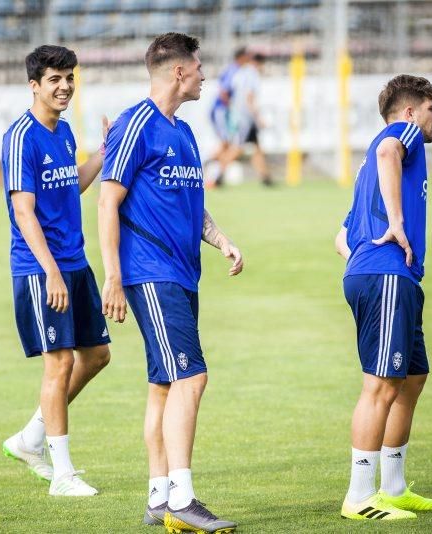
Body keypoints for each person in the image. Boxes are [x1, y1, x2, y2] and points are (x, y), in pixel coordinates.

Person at [98, 33, 243, 533]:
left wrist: (219, 238)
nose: (205, 74)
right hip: (150, 273)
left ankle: (160, 497)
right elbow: (105, 202)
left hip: (183, 274)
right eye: (200, 67)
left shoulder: (183, 132)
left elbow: (190, 199)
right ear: (179, 73)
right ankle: (183, 497)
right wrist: (113, 278)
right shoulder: (135, 124)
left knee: (163, 385)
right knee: (192, 377)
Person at [0, 45, 111, 497]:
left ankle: (30, 438)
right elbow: (23, 212)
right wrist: (50, 272)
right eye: (54, 79)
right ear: (34, 85)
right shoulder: (21, 137)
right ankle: (62, 475)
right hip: (40, 267)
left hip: (74, 261)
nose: (64, 86)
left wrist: (105, 152)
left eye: (69, 77)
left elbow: (74, 184)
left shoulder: (63, 132)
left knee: (97, 355)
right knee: (60, 363)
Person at [337, 74, 432, 520]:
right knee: (379, 386)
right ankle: (359, 497)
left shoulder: (371, 171)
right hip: (386, 276)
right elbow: (387, 151)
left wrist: (358, 259)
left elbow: (341, 235)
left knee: (410, 379)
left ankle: (394, 486)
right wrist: (395, 225)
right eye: (431, 108)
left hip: (389, 276)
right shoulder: (399, 137)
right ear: (409, 112)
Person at [212, 52, 272, 187]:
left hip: (240, 116)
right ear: (259, 63)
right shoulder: (253, 75)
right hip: (246, 118)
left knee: (257, 147)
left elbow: (232, 92)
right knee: (237, 148)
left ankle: (266, 178)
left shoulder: (241, 73)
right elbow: (249, 98)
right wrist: (258, 118)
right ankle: (217, 176)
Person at [205, 47, 251, 182]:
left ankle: (216, 175)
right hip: (221, 110)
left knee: (227, 143)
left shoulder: (233, 70)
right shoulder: (234, 71)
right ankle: (202, 164)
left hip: (221, 110)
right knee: (226, 143)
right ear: (241, 57)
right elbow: (223, 92)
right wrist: (232, 107)